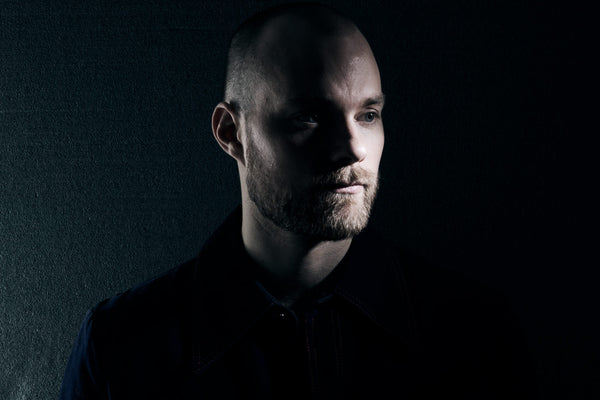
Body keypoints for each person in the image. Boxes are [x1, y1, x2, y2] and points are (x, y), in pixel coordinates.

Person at [60, 3, 533, 399]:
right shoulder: (122, 347)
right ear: (231, 133)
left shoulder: (472, 334)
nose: (352, 148)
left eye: (368, 114)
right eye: (309, 117)